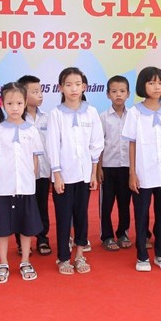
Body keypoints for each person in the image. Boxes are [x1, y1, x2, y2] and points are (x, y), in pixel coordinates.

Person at [0, 82, 45, 283]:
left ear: (25, 102)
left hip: (25, 188)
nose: (15, 108)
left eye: (19, 103)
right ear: (2, 104)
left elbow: (35, 159)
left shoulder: (32, 131)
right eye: (10, 104)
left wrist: (29, 180)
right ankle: (3, 262)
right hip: (2, 188)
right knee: (2, 227)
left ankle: (25, 260)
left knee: (26, 226)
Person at [46, 67, 104, 275]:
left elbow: (96, 143)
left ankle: (79, 254)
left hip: (84, 175)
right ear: (60, 88)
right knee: (63, 217)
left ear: (84, 87)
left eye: (77, 84)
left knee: (81, 216)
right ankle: (63, 257)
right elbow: (52, 145)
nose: (73, 89)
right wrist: (57, 174)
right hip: (63, 175)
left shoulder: (91, 112)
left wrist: (93, 173)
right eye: (69, 85)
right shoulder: (56, 114)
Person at [124, 65, 161, 272]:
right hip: (143, 172)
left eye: (160, 83)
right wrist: (132, 173)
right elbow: (132, 144)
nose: (157, 87)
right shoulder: (135, 113)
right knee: (141, 213)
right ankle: (142, 256)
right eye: (151, 82)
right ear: (142, 85)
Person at [19, 74, 53, 256]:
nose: (40, 95)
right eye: (35, 92)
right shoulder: (17, 119)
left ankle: (42, 238)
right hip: (23, 173)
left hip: (43, 171)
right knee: (23, 207)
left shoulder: (47, 118)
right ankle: (21, 242)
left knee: (42, 206)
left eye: (40, 91)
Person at [99, 75, 132, 250]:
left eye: (122, 91)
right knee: (106, 204)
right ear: (107, 94)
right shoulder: (103, 117)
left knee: (124, 203)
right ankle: (107, 235)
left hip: (127, 167)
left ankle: (122, 232)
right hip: (108, 167)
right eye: (114, 91)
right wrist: (98, 169)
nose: (118, 94)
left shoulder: (133, 116)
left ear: (128, 94)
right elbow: (98, 145)